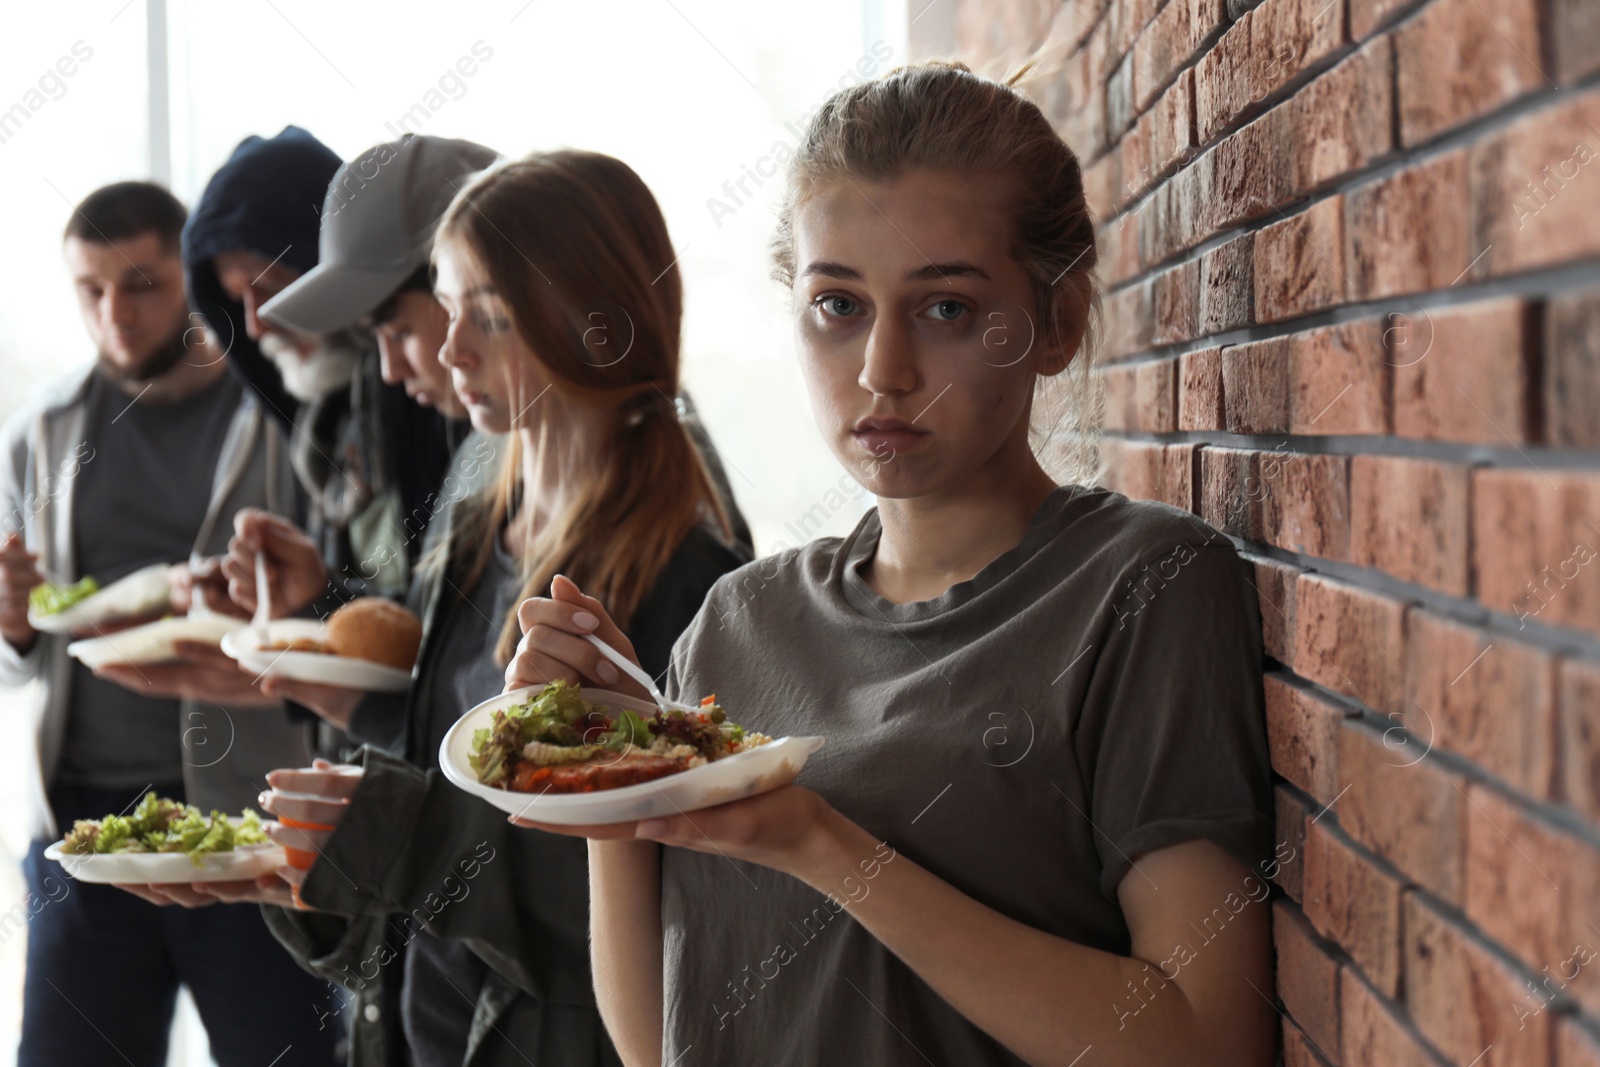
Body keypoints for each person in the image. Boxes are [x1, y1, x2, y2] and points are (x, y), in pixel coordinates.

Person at [504, 62, 1278, 1067]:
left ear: (1058, 322)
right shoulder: (736, 620)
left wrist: (821, 846)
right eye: (837, 305)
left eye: (945, 307)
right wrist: (608, 776)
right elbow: (660, 1043)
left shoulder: (1143, 585)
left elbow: (1202, 1043)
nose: (881, 371)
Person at [140, 151, 752, 1066]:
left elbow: (679, 900)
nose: (448, 351)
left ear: (593, 319)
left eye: (491, 319)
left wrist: (398, 830)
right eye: (450, 307)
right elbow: (441, 801)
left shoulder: (690, 580)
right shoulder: (472, 525)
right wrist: (303, 860)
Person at [0, 181, 339, 1065]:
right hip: (83, 831)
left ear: (188, 275)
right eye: (91, 288)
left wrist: (287, 606)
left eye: (142, 282)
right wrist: (14, 629)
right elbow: (18, 651)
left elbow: (350, 605)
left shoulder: (277, 407)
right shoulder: (39, 433)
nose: (116, 311)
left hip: (247, 820)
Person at [183, 125, 457, 607]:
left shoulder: (448, 392)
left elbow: (446, 633)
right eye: (235, 301)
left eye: (270, 288)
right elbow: (376, 619)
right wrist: (290, 599)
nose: (256, 327)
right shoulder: (327, 420)